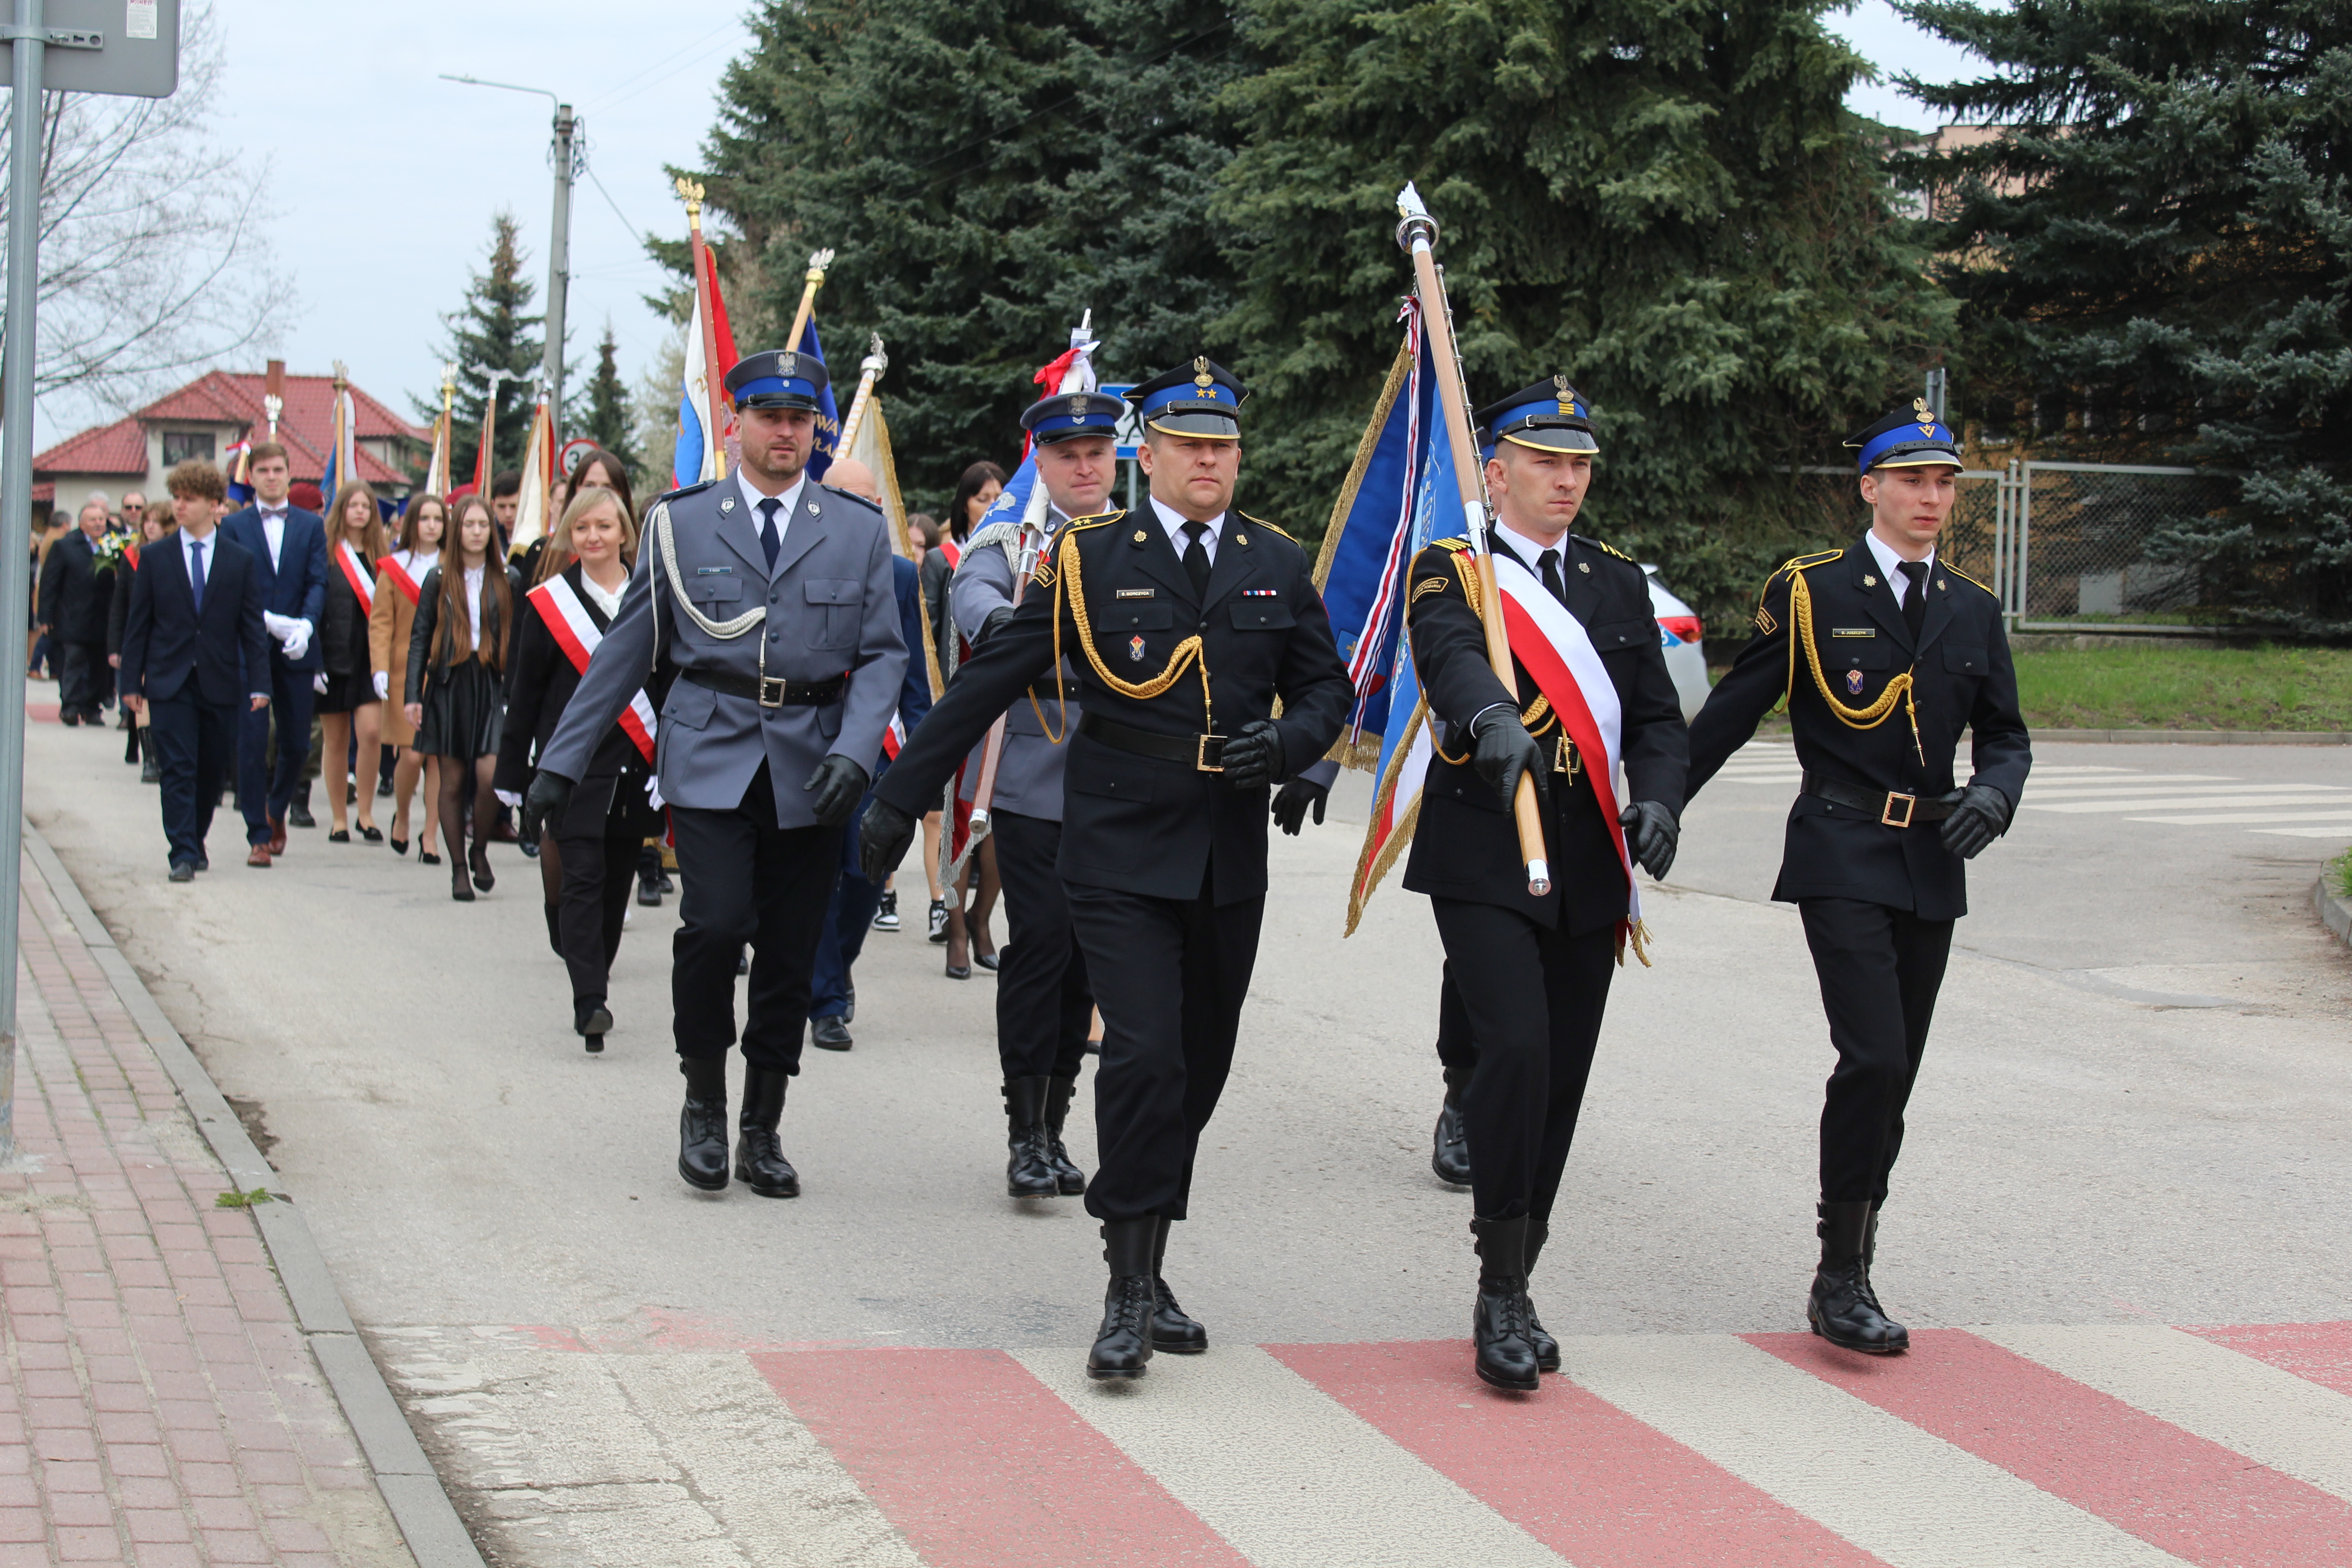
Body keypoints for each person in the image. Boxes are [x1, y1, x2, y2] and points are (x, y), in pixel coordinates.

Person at [858, 357, 1352, 1380]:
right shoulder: (1088, 561)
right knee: (1146, 1059)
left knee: (1198, 1075)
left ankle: (1150, 1253)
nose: (1207, 458)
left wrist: (1291, 745)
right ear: (1151, 455)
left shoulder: (1275, 558)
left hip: (1226, 853)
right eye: (1187, 442)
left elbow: (1328, 692)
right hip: (1118, 848)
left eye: (1222, 442)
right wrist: (896, 802)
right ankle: (1127, 1292)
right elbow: (988, 680)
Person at [1686, 400, 2029, 1356]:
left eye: (1945, 481)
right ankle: (1841, 1279)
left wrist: (1996, 795)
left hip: (1933, 857)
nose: (1932, 496)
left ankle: (1857, 1250)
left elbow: (2004, 734)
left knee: (1898, 1076)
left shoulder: (1971, 606)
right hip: (1840, 847)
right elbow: (1734, 707)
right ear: (1870, 488)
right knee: (1873, 1055)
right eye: (1913, 479)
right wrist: (1662, 799)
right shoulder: (1813, 593)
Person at [524, 347, 906, 1200]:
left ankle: (762, 1122)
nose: (784, 432)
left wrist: (853, 748)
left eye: (799, 419)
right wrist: (559, 764)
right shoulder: (679, 521)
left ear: (815, 428)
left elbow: (883, 654)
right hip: (709, 752)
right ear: (734, 425)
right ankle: (703, 1094)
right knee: (716, 921)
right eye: (768, 417)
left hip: (812, 762)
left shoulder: (850, 527)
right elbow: (625, 653)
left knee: (789, 949)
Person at [1392, 378, 1688, 1392]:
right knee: (1514, 1048)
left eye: (1580, 465)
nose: (1568, 481)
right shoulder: (1456, 570)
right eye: (1547, 462)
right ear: (1499, 468)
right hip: (1485, 848)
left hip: (1589, 860)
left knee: (1560, 1076)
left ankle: (1520, 1272)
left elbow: (1654, 718)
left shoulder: (1613, 580)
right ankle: (1497, 1287)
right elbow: (1448, 658)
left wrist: (1658, 800)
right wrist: (1490, 720)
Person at [945, 386, 1126, 1197]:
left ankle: (1054, 1126)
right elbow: (974, 601)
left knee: (1088, 963)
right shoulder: (1013, 540)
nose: (1083, 466)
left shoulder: (1142, 535)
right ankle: (1023, 1130)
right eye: (1065, 455)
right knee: (1043, 942)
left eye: (1096, 453)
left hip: (1124, 773)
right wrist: (1040, 638)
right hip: (1032, 764)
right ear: (1040, 462)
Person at [497, 487, 664, 1049]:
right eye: (583, 528)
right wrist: (511, 779)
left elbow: (666, 686)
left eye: (605, 526)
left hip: (636, 767)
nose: (594, 537)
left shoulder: (654, 597)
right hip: (571, 768)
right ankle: (589, 1000)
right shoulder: (548, 604)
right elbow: (525, 696)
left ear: (624, 533)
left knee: (616, 880)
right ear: (571, 535)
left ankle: (595, 966)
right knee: (583, 878)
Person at [803, 458, 933, 1051]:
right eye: (852, 502)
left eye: (873, 504)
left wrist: (927, 762)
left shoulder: (903, 575)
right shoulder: (799, 563)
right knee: (817, 873)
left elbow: (909, 679)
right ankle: (826, 999)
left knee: (865, 873)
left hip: (878, 752)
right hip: (809, 744)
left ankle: (837, 965)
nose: (867, 515)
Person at [117, 460, 270, 882]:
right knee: (178, 767)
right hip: (169, 679)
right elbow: (139, 625)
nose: (179, 506)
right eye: (177, 497)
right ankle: (182, 851)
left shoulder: (239, 560)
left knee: (211, 770)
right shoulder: (155, 557)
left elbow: (252, 627)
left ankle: (196, 836)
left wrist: (260, 682)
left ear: (215, 505)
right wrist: (131, 682)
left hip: (220, 679)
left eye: (190, 499)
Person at [405, 495, 519, 902]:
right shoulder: (438, 578)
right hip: (449, 683)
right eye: (468, 525)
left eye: (482, 526)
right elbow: (420, 638)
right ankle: (458, 869)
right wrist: (411, 696)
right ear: (458, 531)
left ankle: (479, 848)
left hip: (491, 682)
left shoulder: (510, 578)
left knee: (490, 776)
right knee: (451, 781)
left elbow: (521, 641)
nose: (475, 532)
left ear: (492, 532)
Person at [219, 442, 328, 866]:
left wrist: (306, 623)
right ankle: (258, 835)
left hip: (299, 643)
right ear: (252, 477)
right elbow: (229, 585)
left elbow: (318, 580)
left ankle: (277, 807)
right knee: (250, 740)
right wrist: (263, 619)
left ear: (289, 473)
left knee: (298, 742)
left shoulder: (309, 525)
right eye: (262, 470)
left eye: (277, 469)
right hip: (251, 644)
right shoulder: (234, 526)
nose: (270, 476)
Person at [374, 496, 445, 861]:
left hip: (447, 673)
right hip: (405, 673)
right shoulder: (394, 567)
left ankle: (430, 834)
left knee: (439, 759)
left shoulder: (456, 567)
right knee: (413, 757)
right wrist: (380, 668)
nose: (432, 525)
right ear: (411, 523)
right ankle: (403, 815)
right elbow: (382, 622)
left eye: (438, 518)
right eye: (424, 518)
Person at [316, 482, 388, 843]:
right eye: (354, 505)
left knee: (372, 734)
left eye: (367, 506)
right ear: (342, 509)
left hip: (370, 658)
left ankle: (366, 812)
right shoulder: (326, 554)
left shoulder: (383, 556)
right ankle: (339, 818)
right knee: (336, 740)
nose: (360, 511)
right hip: (333, 654)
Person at [108, 503, 175, 782]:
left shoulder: (177, 555)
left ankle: (164, 753)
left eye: (156, 522)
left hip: (169, 637)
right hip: (141, 637)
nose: (150, 526)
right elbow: (120, 606)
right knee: (142, 698)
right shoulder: (132, 556)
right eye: (146, 521)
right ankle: (150, 759)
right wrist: (115, 646)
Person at [39, 493, 119, 726]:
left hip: (102, 617)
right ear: (82, 523)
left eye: (101, 520)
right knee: (73, 662)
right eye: (93, 520)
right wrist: (46, 616)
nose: (98, 524)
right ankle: (71, 706)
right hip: (72, 616)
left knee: (99, 666)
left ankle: (92, 707)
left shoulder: (113, 545)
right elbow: (50, 584)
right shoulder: (65, 546)